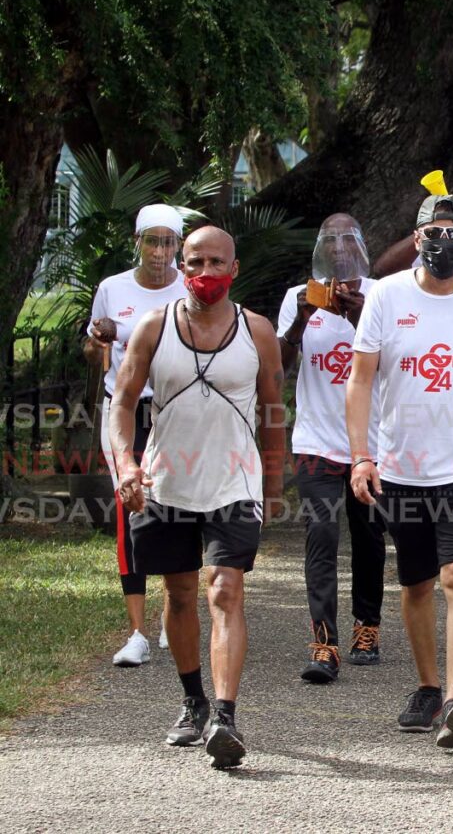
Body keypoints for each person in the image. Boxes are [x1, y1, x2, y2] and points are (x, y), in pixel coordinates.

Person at [109, 225, 285, 769]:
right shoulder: (152, 328)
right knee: (181, 595)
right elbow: (121, 405)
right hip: (166, 482)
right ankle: (193, 701)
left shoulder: (257, 332)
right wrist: (127, 463)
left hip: (234, 482)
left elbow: (273, 411)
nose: (204, 274)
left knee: (225, 591)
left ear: (234, 269)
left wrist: (273, 484)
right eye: (194, 262)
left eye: (215, 263)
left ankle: (225, 718)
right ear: (180, 267)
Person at [347, 194, 453, 749]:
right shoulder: (386, 297)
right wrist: (361, 456)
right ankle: (427, 685)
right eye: (433, 232)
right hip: (401, 466)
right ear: (416, 239)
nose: (444, 242)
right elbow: (361, 380)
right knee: (415, 584)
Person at [278, 213, 385, 682]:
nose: (339, 247)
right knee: (320, 536)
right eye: (330, 239)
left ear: (361, 245)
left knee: (368, 539)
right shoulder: (297, 297)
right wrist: (300, 323)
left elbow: (399, 360)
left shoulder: (383, 295)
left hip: (371, 442)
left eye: (348, 239)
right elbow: (279, 366)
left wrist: (361, 314)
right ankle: (324, 643)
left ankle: (368, 626)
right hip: (316, 440)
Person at [84, 203, 188, 667]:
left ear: (178, 247)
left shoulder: (190, 288)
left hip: (176, 409)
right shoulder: (113, 288)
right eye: (152, 240)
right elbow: (94, 353)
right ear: (137, 242)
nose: (160, 251)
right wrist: (98, 340)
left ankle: (173, 616)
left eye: (169, 242)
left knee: (176, 506)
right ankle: (136, 632)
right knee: (130, 507)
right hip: (123, 410)